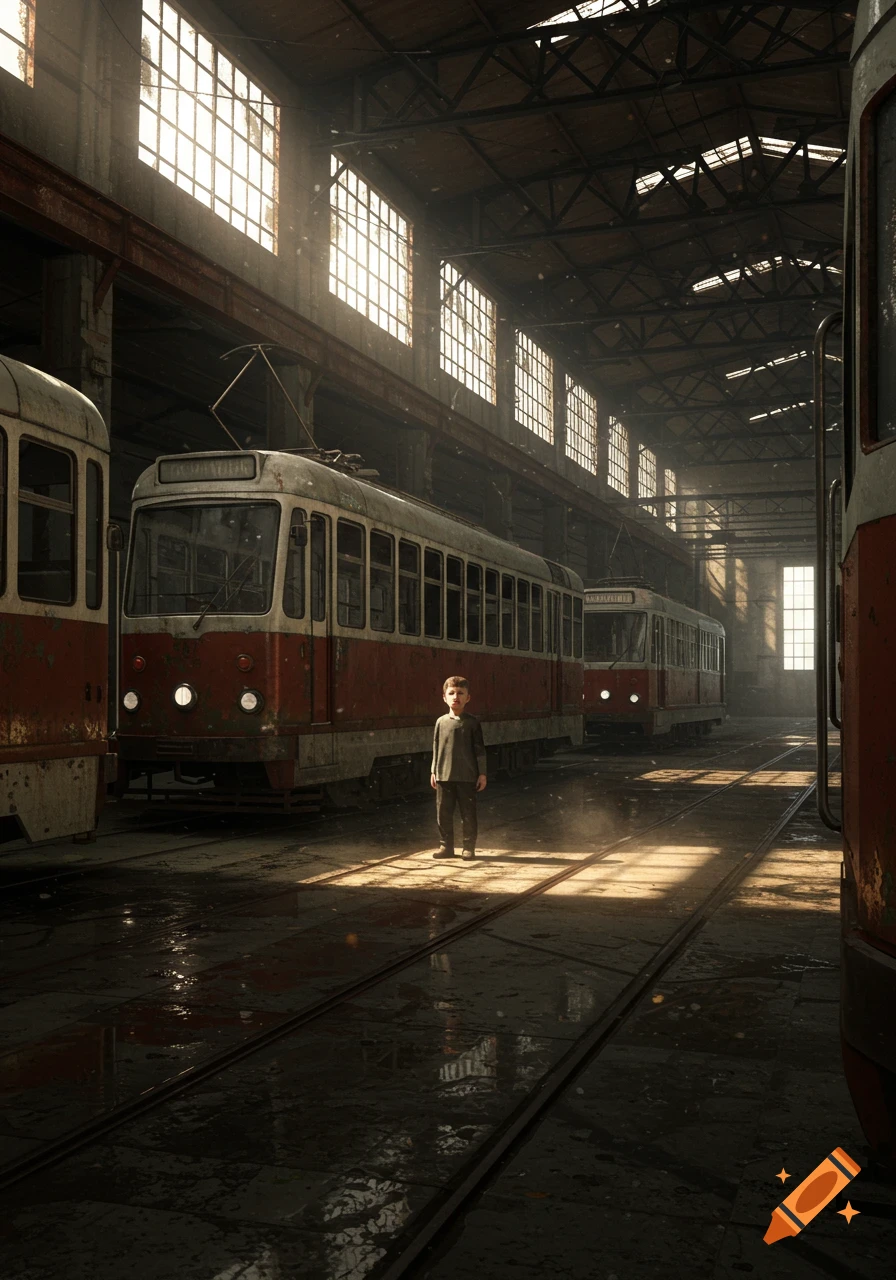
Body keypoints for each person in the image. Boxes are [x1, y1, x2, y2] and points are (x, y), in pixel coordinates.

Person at [431, 675, 487, 861]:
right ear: (444, 697)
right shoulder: (440, 722)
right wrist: (433, 771)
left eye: (461, 693)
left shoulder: (472, 722)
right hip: (443, 775)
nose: (456, 697)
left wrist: (482, 773)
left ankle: (468, 847)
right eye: (451, 693)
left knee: (468, 813)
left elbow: (479, 749)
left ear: (468, 698)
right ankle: (446, 846)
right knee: (443, 813)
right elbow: (436, 746)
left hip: (467, 776)